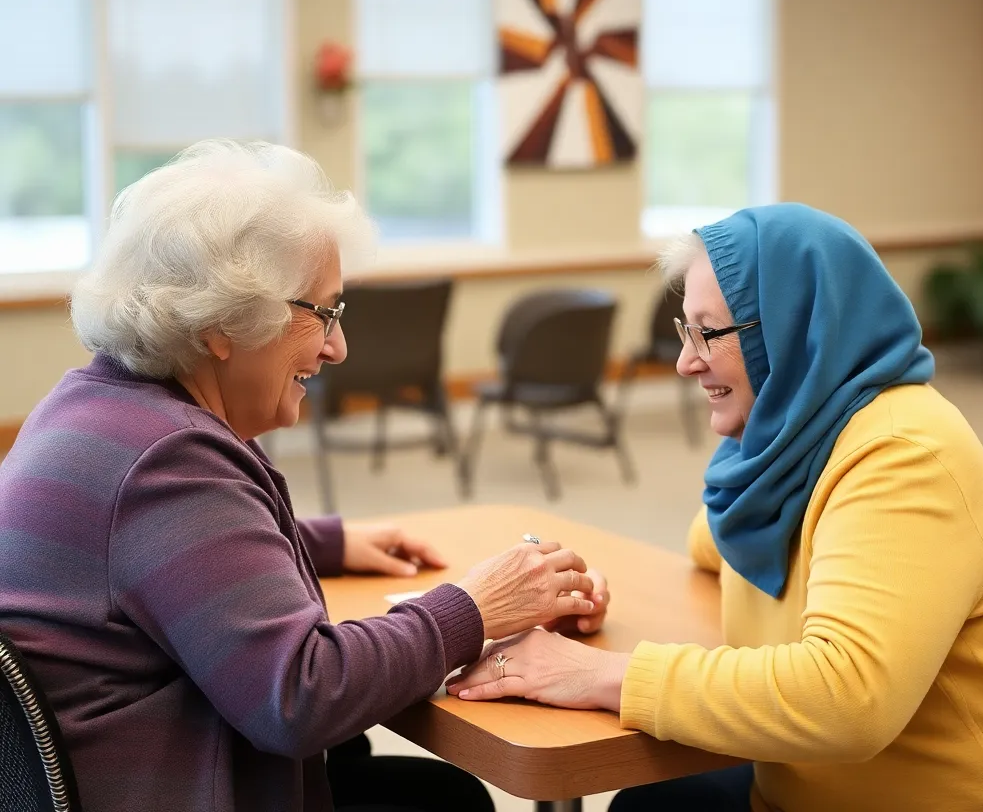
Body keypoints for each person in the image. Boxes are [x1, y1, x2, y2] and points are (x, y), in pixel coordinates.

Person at [0, 140, 609, 812]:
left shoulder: (95, 409)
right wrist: (474, 608)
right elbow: (300, 697)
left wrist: (319, 541)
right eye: (323, 313)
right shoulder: (169, 464)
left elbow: (154, 561)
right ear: (224, 322)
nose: (337, 346)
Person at [449, 203, 983, 812]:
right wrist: (579, 590)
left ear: (799, 327)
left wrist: (599, 675)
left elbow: (849, 698)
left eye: (709, 333)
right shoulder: (798, 439)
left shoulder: (902, 455)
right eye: (685, 330)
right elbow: (724, 536)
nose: (685, 361)